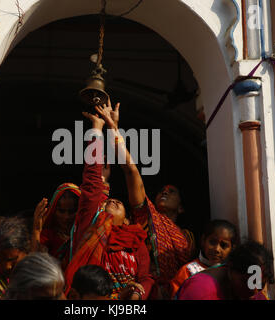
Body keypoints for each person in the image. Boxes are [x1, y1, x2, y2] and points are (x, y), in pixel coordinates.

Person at [93, 100, 195, 299]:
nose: (164, 193)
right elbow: (131, 172)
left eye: (171, 191)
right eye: (161, 191)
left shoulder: (187, 238)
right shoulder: (145, 218)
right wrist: (114, 129)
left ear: (181, 208)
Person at [64, 106, 154, 300]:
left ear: (128, 221)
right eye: (108, 202)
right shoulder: (91, 227)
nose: (112, 200)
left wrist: (137, 295)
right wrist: (97, 128)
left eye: (119, 203)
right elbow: (92, 182)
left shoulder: (136, 241)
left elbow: (145, 278)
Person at [175, 239, 274, 300]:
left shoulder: (252, 292)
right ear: (230, 269)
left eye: (260, 285)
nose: (255, 292)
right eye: (247, 282)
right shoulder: (202, 291)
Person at [169, 219, 238, 297]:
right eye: (212, 242)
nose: (217, 249)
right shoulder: (188, 271)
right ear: (203, 241)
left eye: (223, 245)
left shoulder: (232, 272)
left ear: (232, 248)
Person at [31, 183, 81, 269]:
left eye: (71, 212)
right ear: (53, 210)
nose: (66, 217)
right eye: (61, 211)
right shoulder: (47, 236)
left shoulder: (85, 235)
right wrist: (36, 229)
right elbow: (34, 265)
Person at [0, 215, 32, 300]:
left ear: (25, 251)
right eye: (0, 260)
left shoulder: (42, 274)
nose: (7, 266)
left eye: (12, 260)